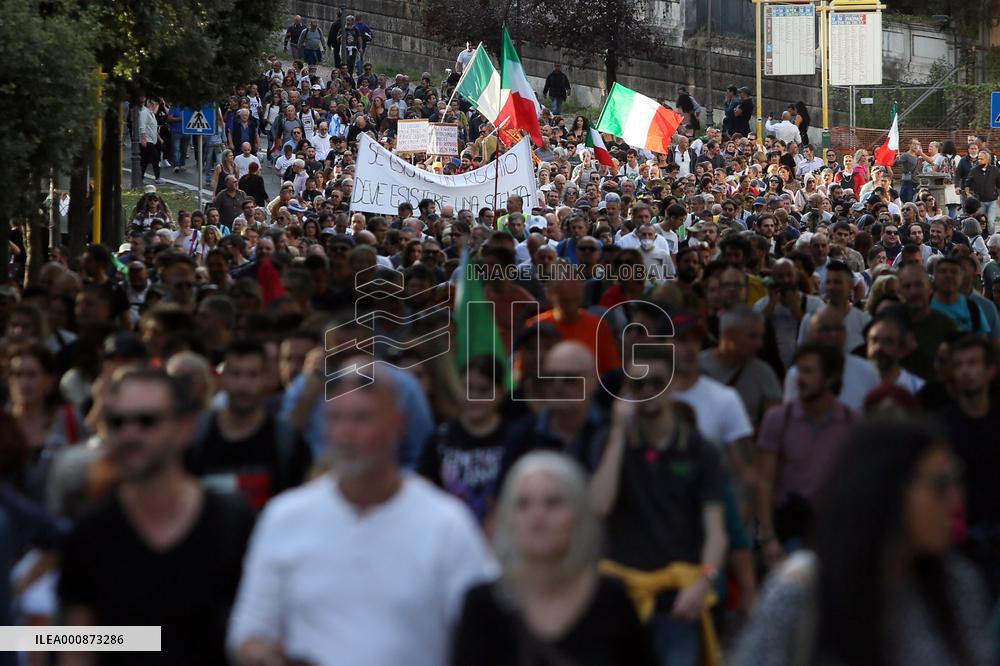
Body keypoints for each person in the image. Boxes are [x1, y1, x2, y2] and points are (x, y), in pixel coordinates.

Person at [228, 364, 497, 666]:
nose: (347, 433)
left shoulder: (446, 524)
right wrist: (267, 657)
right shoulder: (284, 517)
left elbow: (488, 635)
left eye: (362, 418)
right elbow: (248, 632)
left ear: (398, 424)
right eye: (336, 419)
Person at [735, 417, 993, 666]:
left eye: (956, 481)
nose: (955, 500)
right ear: (887, 489)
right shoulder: (802, 591)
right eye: (939, 484)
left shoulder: (959, 588)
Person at [58, 369, 255, 665]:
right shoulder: (90, 534)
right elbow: (77, 645)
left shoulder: (234, 524)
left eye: (147, 421)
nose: (130, 433)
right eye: (117, 422)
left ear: (185, 428)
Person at [451, 451, 658, 666]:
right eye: (522, 504)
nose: (537, 516)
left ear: (578, 514)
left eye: (553, 503)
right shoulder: (482, 604)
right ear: (507, 519)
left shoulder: (612, 599)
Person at [586, 351, 727, 666]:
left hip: (677, 599)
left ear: (674, 384)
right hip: (619, 600)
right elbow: (597, 508)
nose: (648, 390)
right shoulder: (608, 442)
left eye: (657, 382)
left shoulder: (699, 450)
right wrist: (619, 433)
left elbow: (716, 532)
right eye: (638, 384)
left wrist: (704, 582)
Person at [757, 341, 859, 567]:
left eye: (808, 371)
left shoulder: (852, 423)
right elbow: (764, 481)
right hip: (789, 536)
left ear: (831, 378)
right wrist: (768, 537)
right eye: (798, 370)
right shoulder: (778, 420)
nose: (799, 378)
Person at [187, 339, 311, 511]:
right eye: (235, 374)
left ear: (266, 378)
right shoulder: (193, 436)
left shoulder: (287, 440)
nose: (243, 385)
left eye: (252, 375)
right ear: (222, 378)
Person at [418, 355, 533, 525]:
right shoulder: (441, 437)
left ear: (500, 393)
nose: (474, 396)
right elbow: (424, 493)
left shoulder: (515, 437)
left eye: (483, 389)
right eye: (468, 388)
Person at [934, 336, 1000, 599]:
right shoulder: (940, 426)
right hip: (958, 542)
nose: (965, 371)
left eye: (973, 363)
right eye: (959, 364)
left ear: (989, 371)